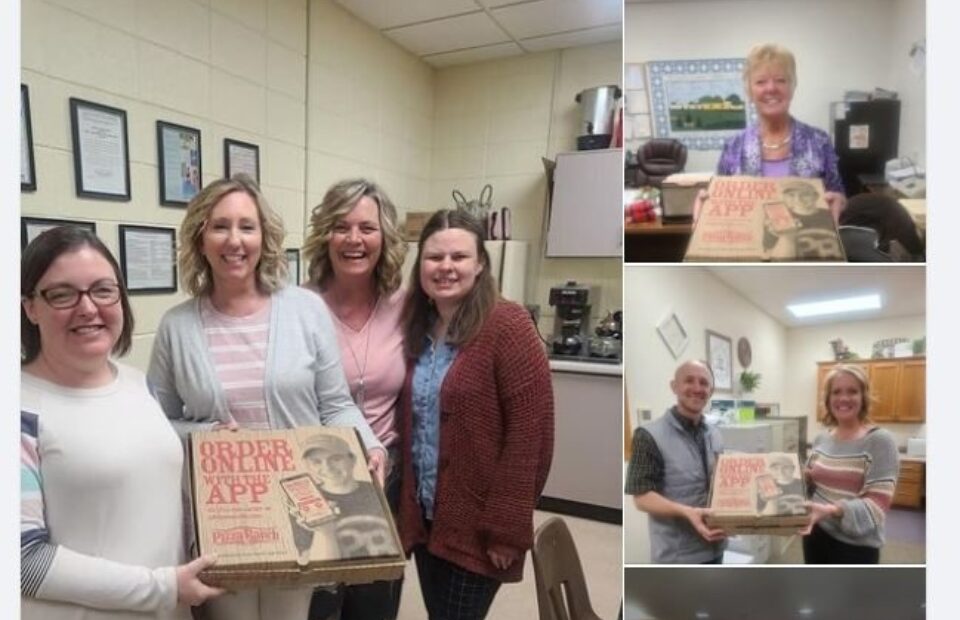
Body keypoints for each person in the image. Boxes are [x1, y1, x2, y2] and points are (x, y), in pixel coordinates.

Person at [147, 174, 385, 620]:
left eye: (246, 226)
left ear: (264, 237)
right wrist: (204, 433)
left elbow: (335, 403)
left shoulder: (305, 310)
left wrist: (368, 444)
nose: (234, 240)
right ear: (200, 236)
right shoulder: (176, 326)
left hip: (300, 504)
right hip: (225, 514)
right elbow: (156, 422)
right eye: (220, 226)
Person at [20, 227, 222, 620]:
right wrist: (163, 587)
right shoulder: (19, 407)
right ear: (30, 308)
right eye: (62, 294)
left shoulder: (136, 383)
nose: (88, 308)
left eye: (103, 290)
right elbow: (24, 562)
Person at [398, 209, 554, 620]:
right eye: (434, 257)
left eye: (459, 257)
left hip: (479, 524)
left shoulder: (508, 325)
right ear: (420, 266)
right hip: (427, 517)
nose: (446, 267)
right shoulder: (418, 325)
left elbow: (530, 437)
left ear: (480, 263)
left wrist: (507, 528)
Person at [301, 178, 407, 620]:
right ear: (325, 234)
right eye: (341, 227)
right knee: (320, 602)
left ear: (385, 237)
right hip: (318, 473)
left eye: (367, 227)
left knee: (374, 603)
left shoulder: (406, 306)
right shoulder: (299, 306)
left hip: (386, 473)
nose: (354, 239)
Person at [716, 43, 846, 218]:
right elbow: (721, 203)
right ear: (749, 91)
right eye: (761, 82)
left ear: (792, 87)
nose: (771, 88)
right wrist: (707, 206)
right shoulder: (733, 147)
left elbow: (839, 195)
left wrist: (839, 200)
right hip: (749, 244)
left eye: (780, 80)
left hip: (807, 242)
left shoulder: (818, 141)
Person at [625, 360, 727, 564]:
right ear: (674, 386)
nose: (697, 388)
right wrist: (686, 512)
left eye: (704, 383)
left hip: (716, 546)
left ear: (711, 390)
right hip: (678, 556)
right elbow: (641, 497)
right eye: (689, 381)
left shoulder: (715, 434)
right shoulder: (649, 435)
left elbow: (721, 485)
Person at [803, 364, 900, 564]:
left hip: (855, 546)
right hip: (815, 532)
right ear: (828, 399)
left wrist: (831, 510)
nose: (843, 398)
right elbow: (812, 483)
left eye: (852, 391)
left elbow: (877, 505)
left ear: (863, 396)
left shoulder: (880, 441)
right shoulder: (822, 438)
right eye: (836, 392)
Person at [291, 434, 399, 563]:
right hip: (333, 578)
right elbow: (313, 566)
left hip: (379, 574)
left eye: (336, 458)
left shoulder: (375, 489)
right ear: (308, 466)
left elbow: (393, 548)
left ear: (352, 460)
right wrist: (325, 531)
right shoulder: (306, 501)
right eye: (316, 462)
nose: (327, 467)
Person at [763, 180, 843, 259]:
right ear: (785, 198)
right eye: (791, 195)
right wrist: (784, 236)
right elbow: (768, 255)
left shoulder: (830, 213)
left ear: (816, 196)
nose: (798, 199)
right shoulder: (779, 219)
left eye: (805, 194)